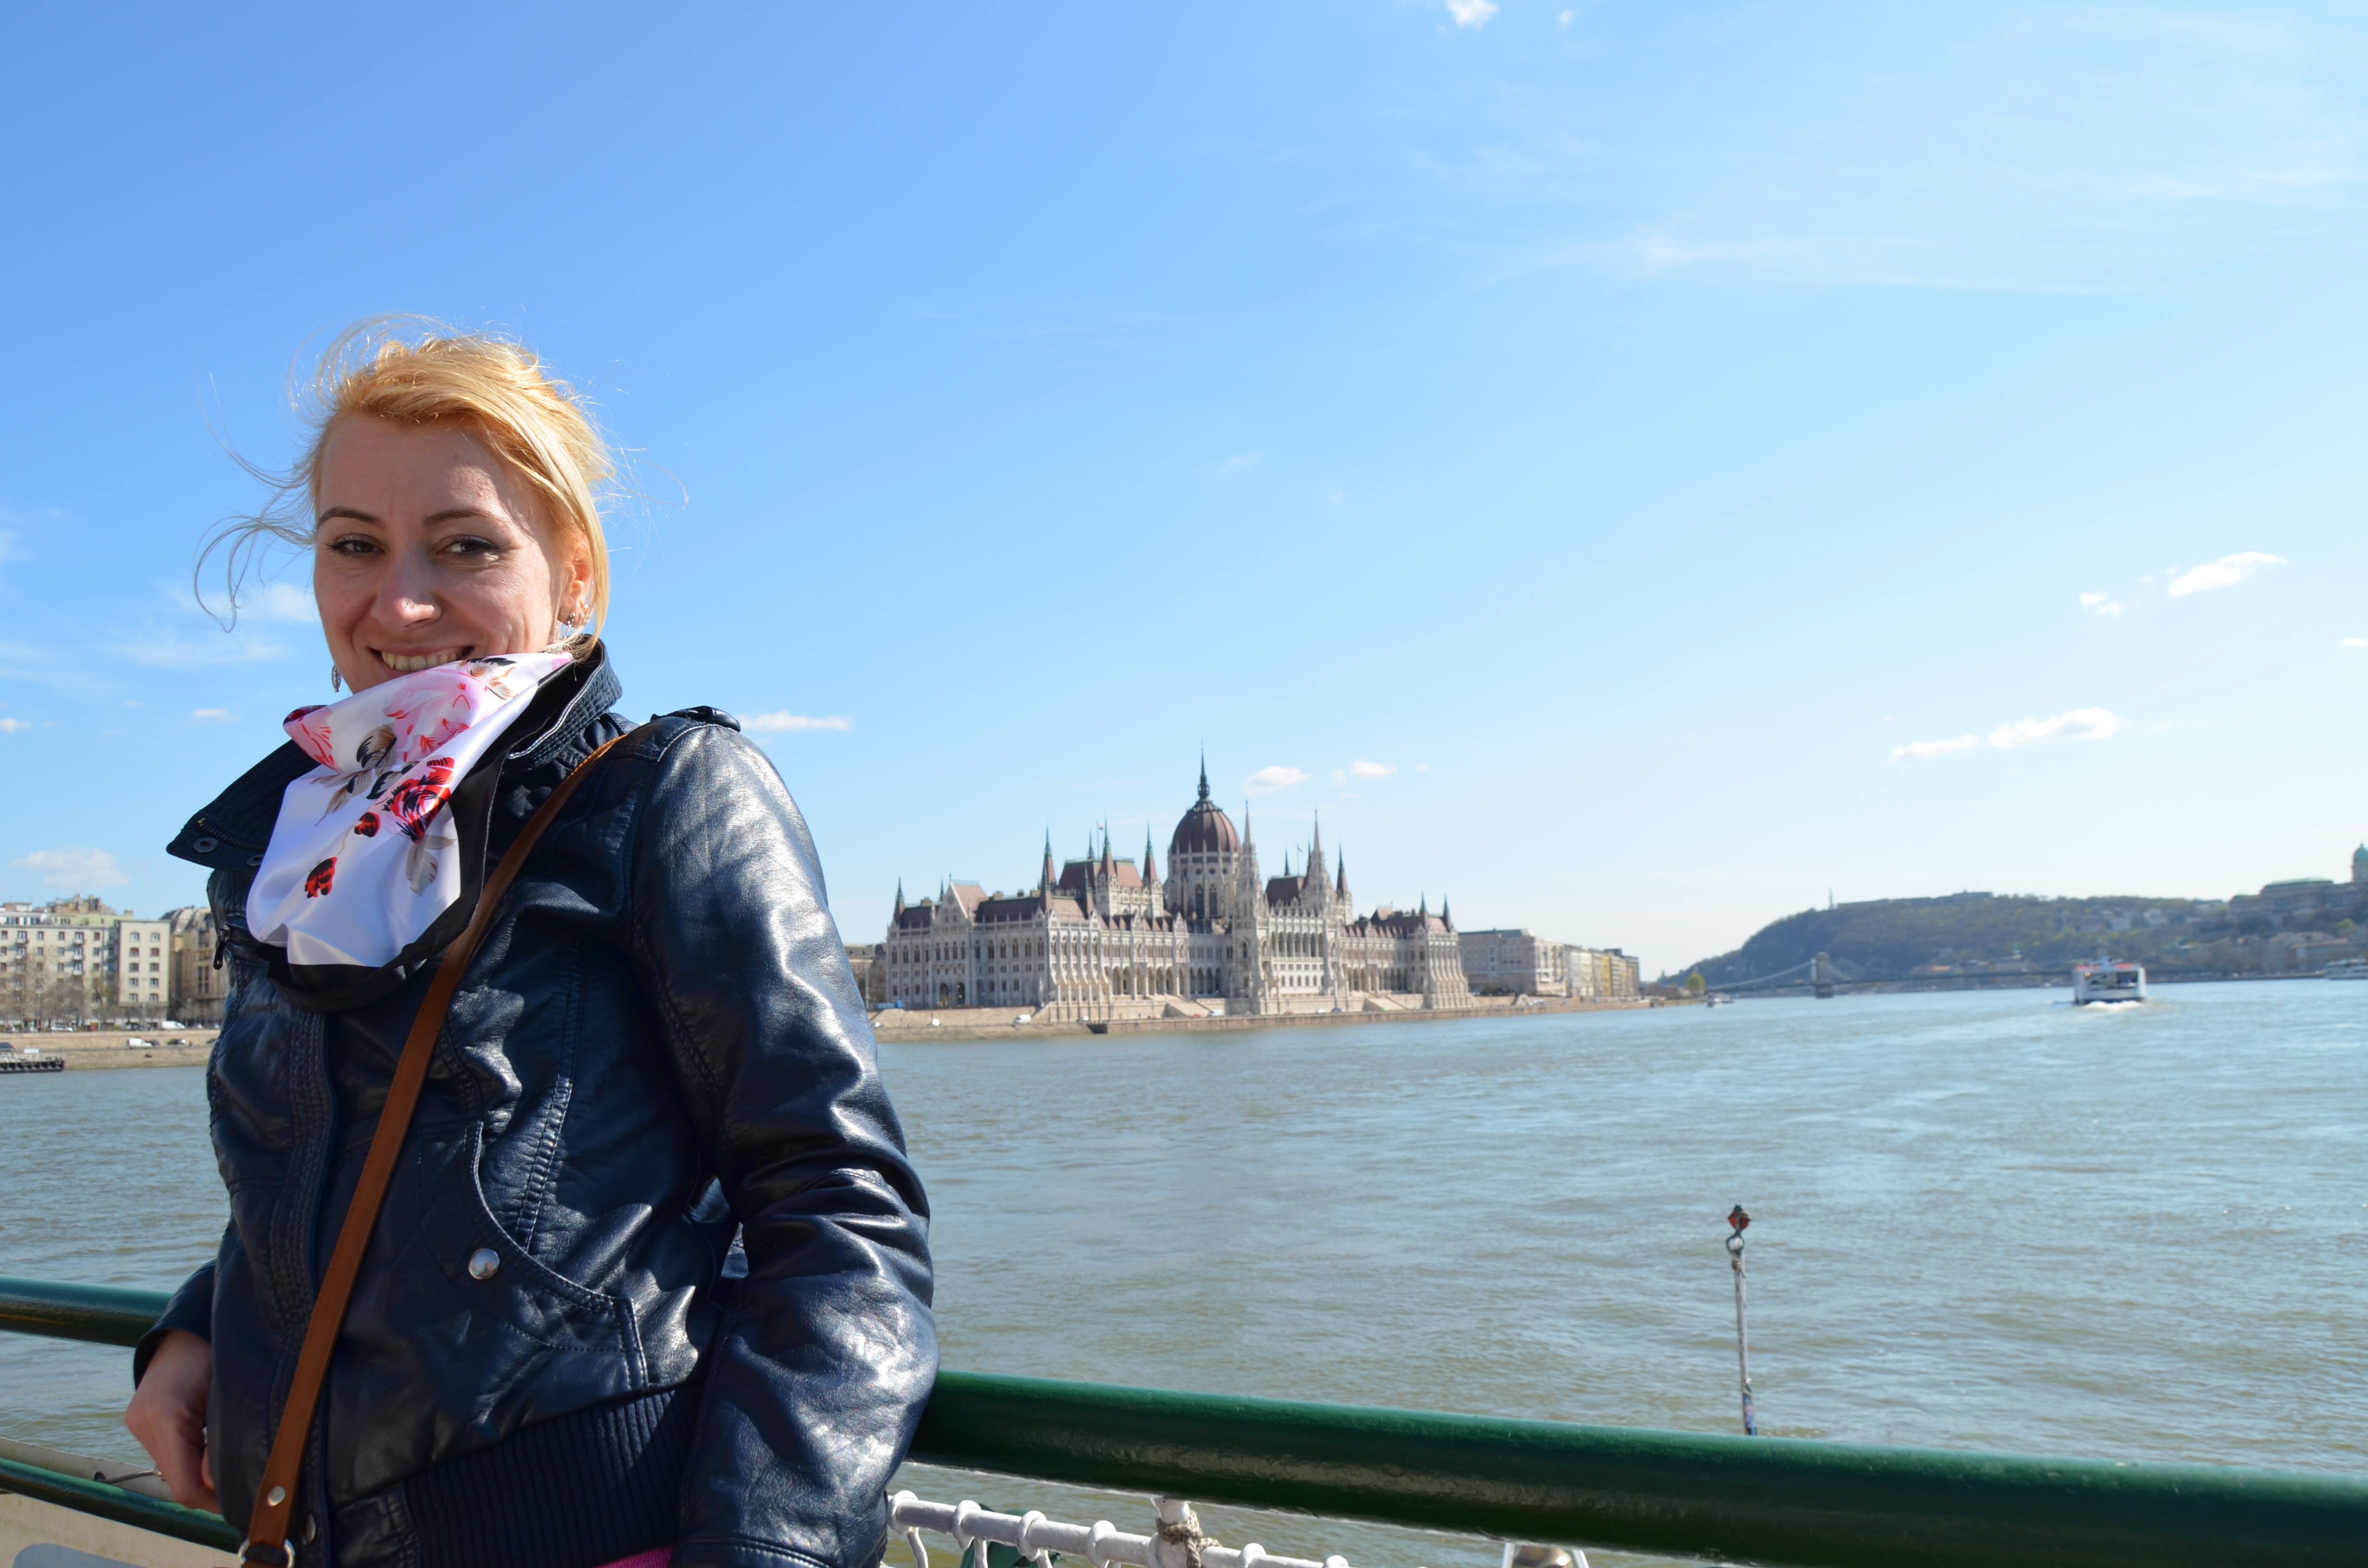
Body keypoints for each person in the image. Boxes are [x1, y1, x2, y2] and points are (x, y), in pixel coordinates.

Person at [122, 324, 936, 1568]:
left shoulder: (665, 796)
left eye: (467, 545)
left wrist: (769, 1550)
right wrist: (204, 1321)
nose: (400, 602)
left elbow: (839, 1208)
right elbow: (350, 1150)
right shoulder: (293, 850)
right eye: (354, 544)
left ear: (574, 575)